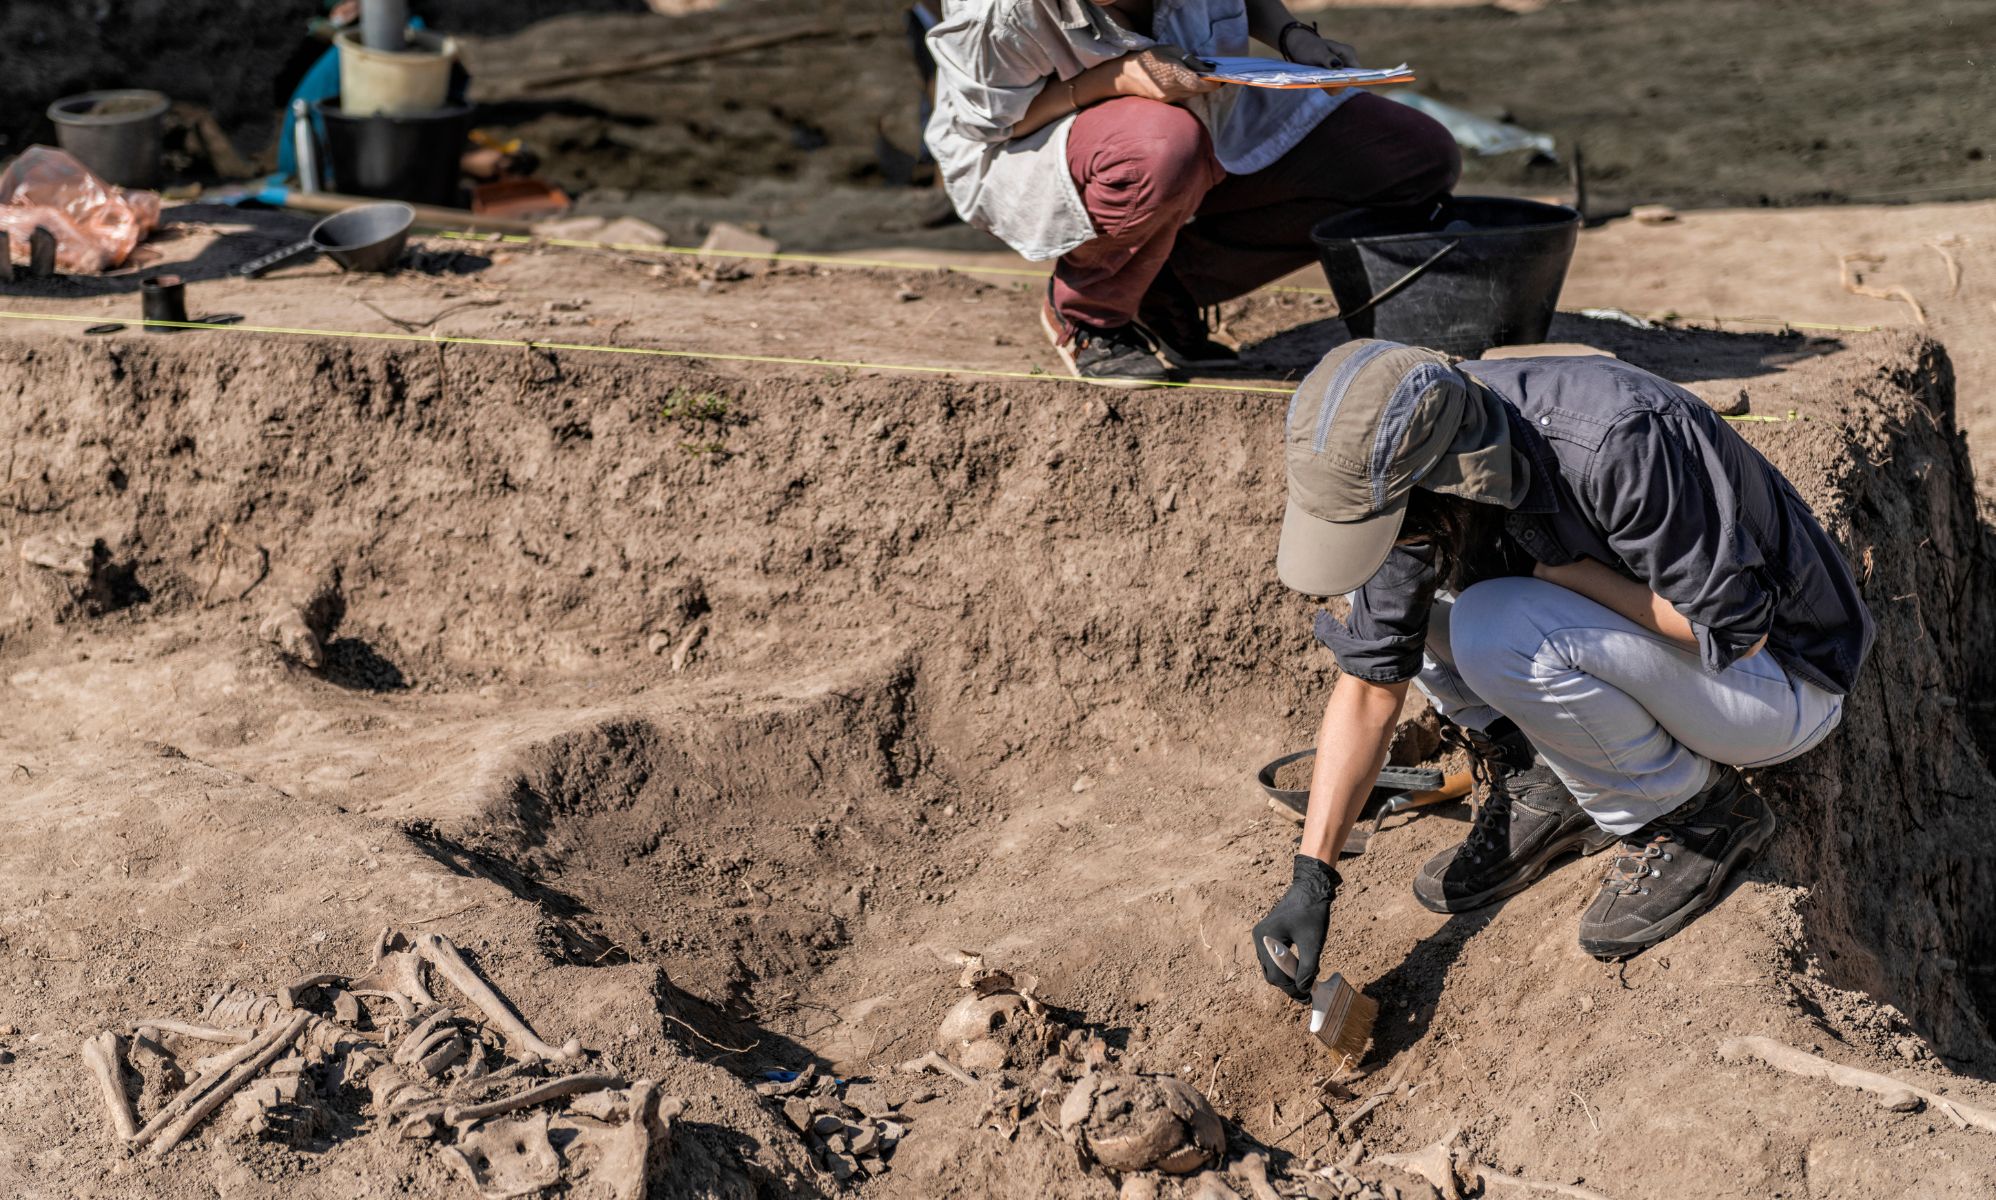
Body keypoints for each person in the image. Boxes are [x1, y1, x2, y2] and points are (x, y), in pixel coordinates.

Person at [1252, 340, 1875, 1002]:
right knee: (1397, 602)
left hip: (1779, 682)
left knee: (1494, 627)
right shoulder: (1422, 462)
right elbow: (1373, 681)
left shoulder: (1614, 443)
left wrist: (1567, 576)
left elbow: (1735, 632)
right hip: (1650, 657)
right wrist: (1312, 876)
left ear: (1439, 474)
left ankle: (1693, 818)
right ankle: (1549, 786)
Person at [924, 1, 1460, 386]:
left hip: (1205, 116)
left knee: (1411, 157)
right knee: (1162, 147)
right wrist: (1114, 80)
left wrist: (1295, 37)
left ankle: (1161, 285)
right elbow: (995, 127)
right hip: (1037, 143)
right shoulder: (1000, 12)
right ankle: (1089, 311)